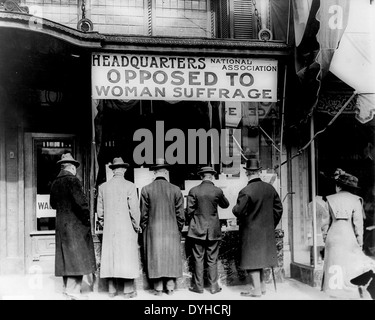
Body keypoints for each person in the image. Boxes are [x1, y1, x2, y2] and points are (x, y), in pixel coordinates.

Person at [232, 159, 283, 298]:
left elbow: (238, 211)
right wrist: (271, 225)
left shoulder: (246, 191)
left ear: (247, 172)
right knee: (261, 260)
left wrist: (234, 208)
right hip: (266, 232)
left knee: (252, 261)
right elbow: (278, 209)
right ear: (259, 172)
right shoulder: (270, 188)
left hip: (250, 232)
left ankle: (256, 290)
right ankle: (262, 288)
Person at [321, 168, 375, 299]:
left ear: (339, 186)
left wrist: (325, 238)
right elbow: (358, 225)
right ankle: (348, 292)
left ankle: (333, 292)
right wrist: (360, 243)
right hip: (348, 237)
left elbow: (324, 223)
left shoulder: (329, 199)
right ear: (352, 188)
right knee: (348, 266)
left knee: (334, 264)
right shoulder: (356, 200)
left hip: (333, 237)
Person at [50, 153, 96, 300]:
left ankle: (67, 290)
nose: (76, 170)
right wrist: (86, 220)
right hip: (75, 227)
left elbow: (52, 204)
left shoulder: (55, 183)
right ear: (71, 167)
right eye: (75, 167)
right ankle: (73, 292)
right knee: (77, 259)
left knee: (66, 259)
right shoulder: (73, 181)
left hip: (61, 227)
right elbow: (82, 204)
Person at [97, 157, 141, 299]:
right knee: (127, 258)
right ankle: (128, 291)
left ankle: (111, 290)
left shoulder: (103, 187)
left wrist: (105, 224)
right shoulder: (130, 186)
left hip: (110, 229)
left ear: (113, 170)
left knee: (111, 257)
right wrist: (136, 225)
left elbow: (100, 211)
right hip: (126, 228)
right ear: (124, 170)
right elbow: (134, 210)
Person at [140, 158, 185, 296]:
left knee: (156, 258)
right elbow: (180, 215)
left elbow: (143, 215)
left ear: (154, 173)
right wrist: (178, 227)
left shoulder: (146, 189)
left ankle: (158, 289)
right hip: (171, 230)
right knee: (170, 258)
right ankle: (170, 288)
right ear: (166, 173)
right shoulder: (176, 190)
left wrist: (145, 228)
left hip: (153, 231)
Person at [186, 166, 229, 294]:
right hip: (213, 230)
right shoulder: (217, 191)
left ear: (201, 176)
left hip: (197, 230)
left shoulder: (194, 190)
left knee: (198, 258)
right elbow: (225, 204)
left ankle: (198, 287)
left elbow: (189, 211)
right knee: (212, 259)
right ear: (212, 176)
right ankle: (214, 287)